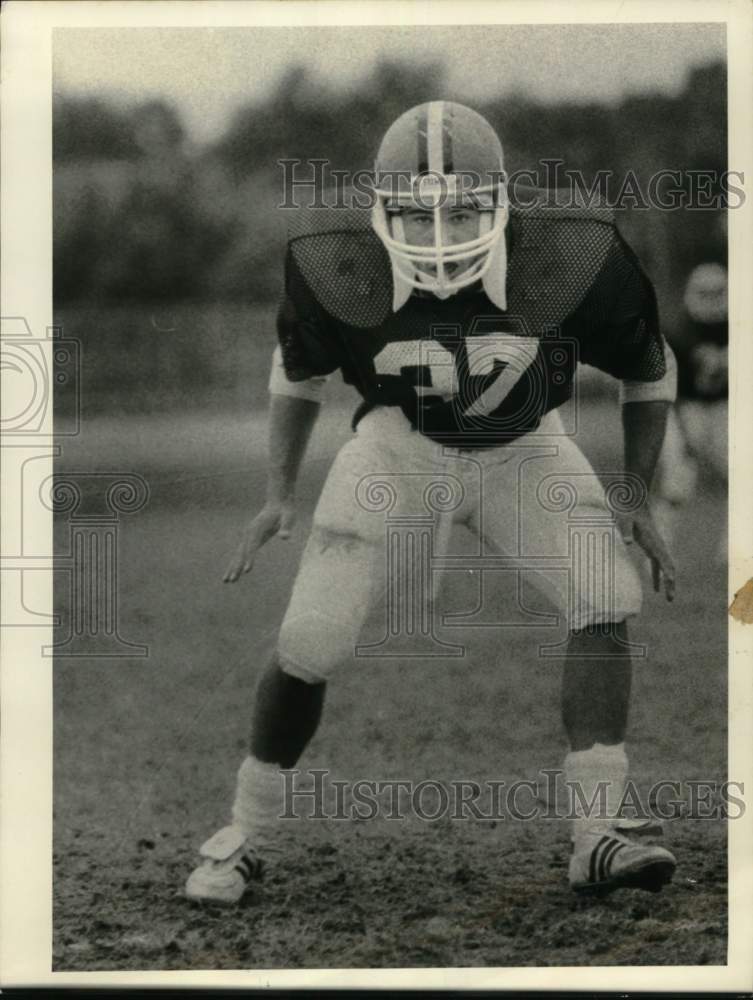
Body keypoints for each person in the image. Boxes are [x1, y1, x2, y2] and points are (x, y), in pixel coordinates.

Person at [185, 101, 677, 905]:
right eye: (416, 213)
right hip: (397, 448)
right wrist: (278, 492)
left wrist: (638, 494)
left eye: (462, 210)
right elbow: (297, 371)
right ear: (381, 210)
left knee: (604, 595)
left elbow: (646, 369)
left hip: (524, 446)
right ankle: (243, 831)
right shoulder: (336, 268)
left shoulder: (571, 257)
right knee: (312, 637)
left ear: (501, 201)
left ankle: (597, 835)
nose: (440, 232)